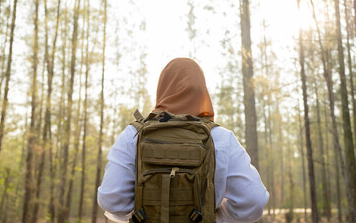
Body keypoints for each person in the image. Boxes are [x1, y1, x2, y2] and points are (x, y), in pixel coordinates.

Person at [98, 58, 269, 223]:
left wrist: (139, 215)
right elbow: (254, 201)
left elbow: (111, 200)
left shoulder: (133, 135)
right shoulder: (221, 138)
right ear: (202, 90)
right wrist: (215, 216)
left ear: (162, 88)